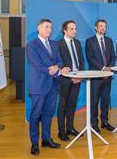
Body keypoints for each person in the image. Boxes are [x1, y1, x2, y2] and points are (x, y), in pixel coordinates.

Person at [26, 19, 70, 156]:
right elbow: (37, 65)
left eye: (51, 27)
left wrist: (57, 67)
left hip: (53, 85)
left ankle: (46, 139)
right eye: (46, 27)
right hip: (39, 86)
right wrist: (53, 70)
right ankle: (34, 143)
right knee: (35, 115)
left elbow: (60, 60)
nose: (49, 30)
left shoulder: (54, 44)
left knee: (48, 113)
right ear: (39, 28)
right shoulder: (31, 45)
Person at [85, 19, 115, 133]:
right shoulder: (90, 41)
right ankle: (94, 123)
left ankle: (105, 122)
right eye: (101, 26)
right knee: (94, 101)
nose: (103, 28)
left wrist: (109, 70)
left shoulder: (109, 40)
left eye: (105, 26)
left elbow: (113, 56)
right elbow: (90, 58)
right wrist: (103, 69)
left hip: (108, 76)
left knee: (105, 100)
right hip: (96, 76)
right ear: (96, 28)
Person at [57, 20, 85, 141]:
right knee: (62, 106)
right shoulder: (58, 44)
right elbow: (57, 62)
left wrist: (81, 76)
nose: (75, 31)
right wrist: (62, 69)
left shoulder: (78, 43)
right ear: (65, 30)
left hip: (77, 79)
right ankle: (61, 131)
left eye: (75, 28)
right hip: (64, 80)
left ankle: (70, 128)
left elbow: (82, 61)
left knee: (72, 105)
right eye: (72, 29)